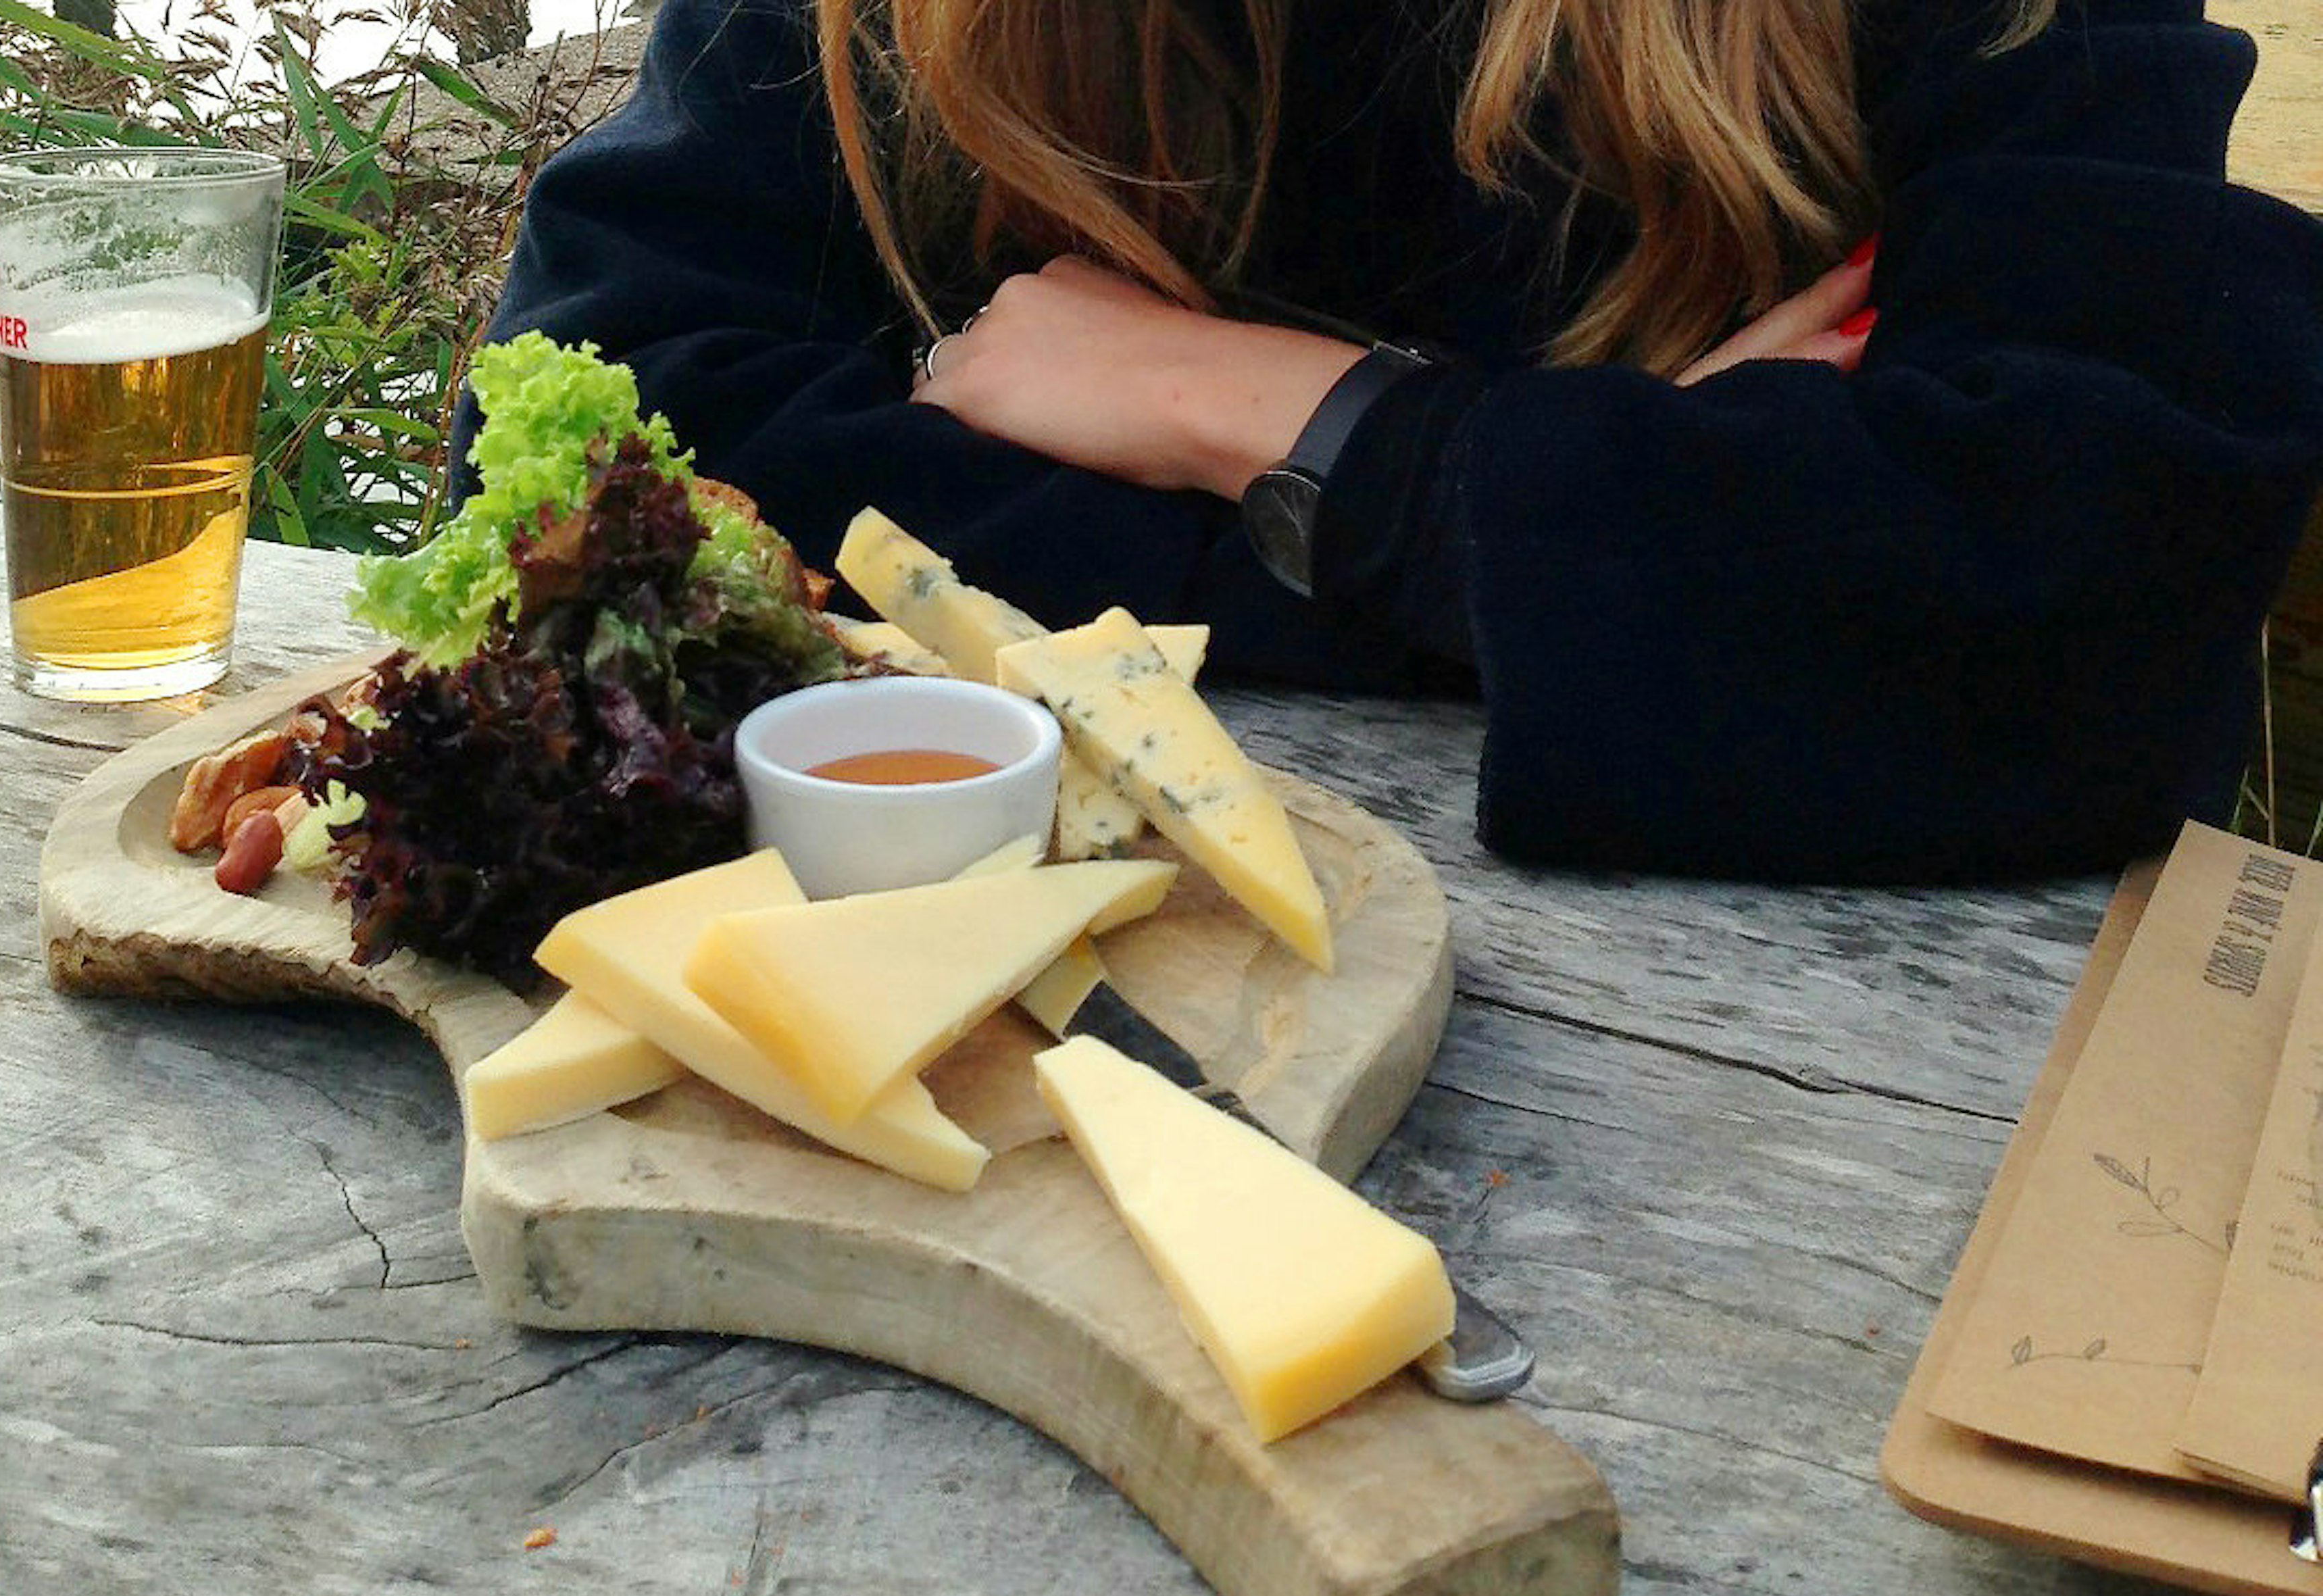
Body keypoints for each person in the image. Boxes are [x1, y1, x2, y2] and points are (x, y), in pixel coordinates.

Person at [456, 0, 2323, 882]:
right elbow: (607, 443)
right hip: (1035, 1059)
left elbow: (2082, 621)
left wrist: (1269, 420)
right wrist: (1592, 533)